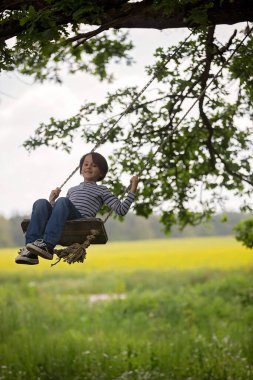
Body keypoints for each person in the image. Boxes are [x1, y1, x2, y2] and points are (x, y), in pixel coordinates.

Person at [15, 152, 139, 265]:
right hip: (65, 220)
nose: (88, 167)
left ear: (101, 173)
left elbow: (121, 210)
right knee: (41, 202)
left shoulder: (103, 190)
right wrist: (52, 200)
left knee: (63, 201)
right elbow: (57, 214)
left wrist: (133, 188)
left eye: (94, 165)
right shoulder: (72, 190)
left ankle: (47, 245)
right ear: (81, 169)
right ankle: (31, 251)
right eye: (85, 164)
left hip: (81, 220)